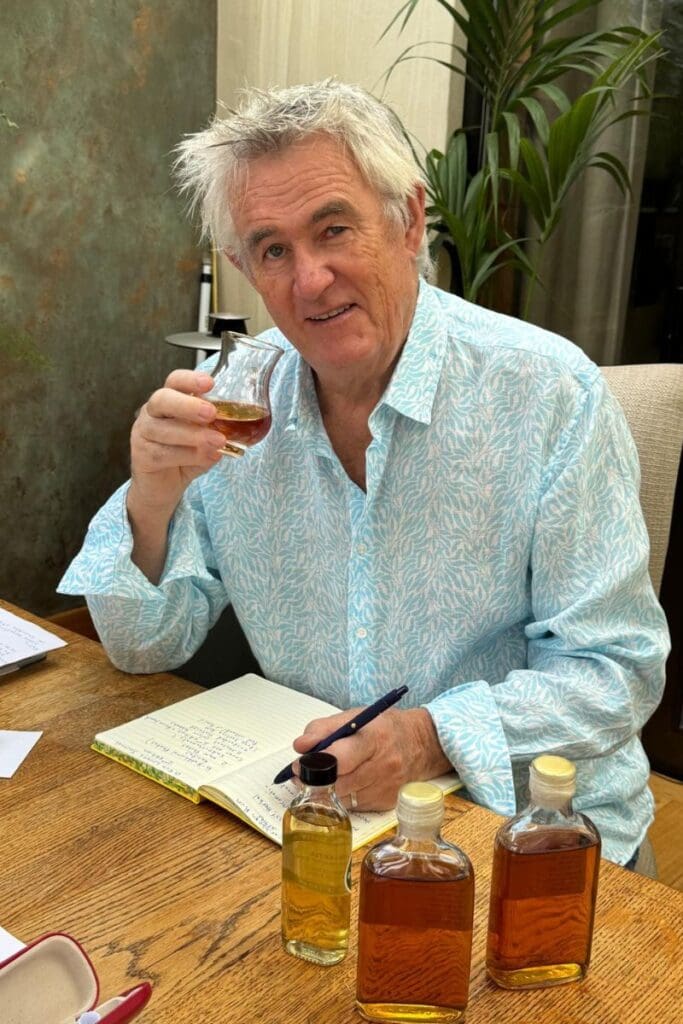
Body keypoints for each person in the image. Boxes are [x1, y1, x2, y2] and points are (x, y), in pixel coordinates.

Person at [59, 80, 669, 867]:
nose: (308, 279)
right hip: (319, 819)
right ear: (245, 264)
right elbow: (147, 646)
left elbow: (613, 671)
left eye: (333, 228)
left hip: (528, 835)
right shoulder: (236, 398)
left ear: (407, 221)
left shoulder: (547, 393)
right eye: (273, 249)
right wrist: (151, 494)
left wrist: (425, 739)